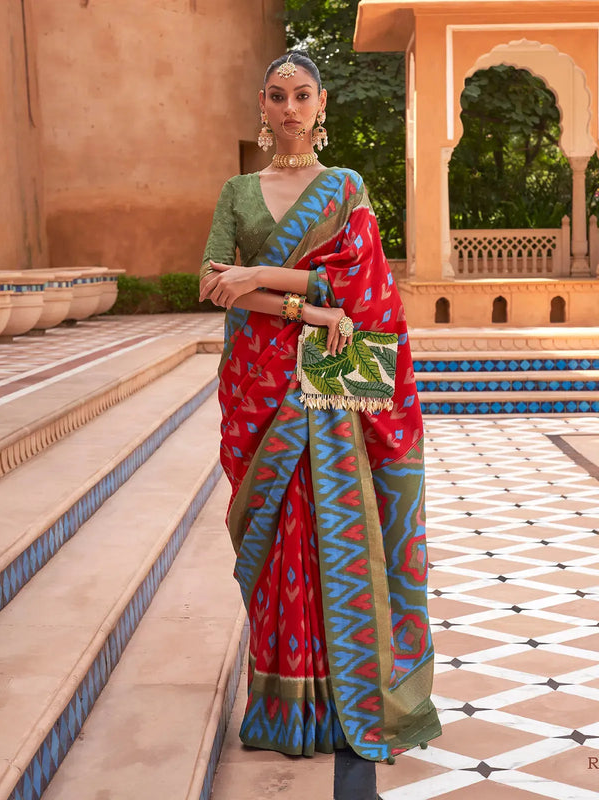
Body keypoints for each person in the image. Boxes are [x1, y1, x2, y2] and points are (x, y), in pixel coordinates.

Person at [199, 51, 441, 800]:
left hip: (330, 391)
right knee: (276, 540)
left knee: (338, 529)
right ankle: (283, 705)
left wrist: (262, 278)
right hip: (261, 389)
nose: (291, 108)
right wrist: (300, 304)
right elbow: (213, 281)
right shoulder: (239, 192)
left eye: (303, 95)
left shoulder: (345, 189)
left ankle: (350, 702)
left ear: (322, 103)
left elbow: (362, 285)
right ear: (262, 108)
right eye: (277, 96)